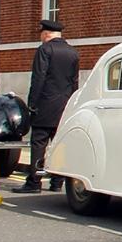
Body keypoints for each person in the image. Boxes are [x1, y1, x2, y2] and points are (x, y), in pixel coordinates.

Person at [19, 16, 79, 192]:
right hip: (64, 104)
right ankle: (57, 182)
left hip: (45, 103)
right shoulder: (72, 52)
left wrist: (32, 102)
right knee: (59, 145)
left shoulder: (44, 50)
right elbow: (74, 81)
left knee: (39, 144)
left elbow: (39, 78)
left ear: (46, 34)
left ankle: (34, 181)